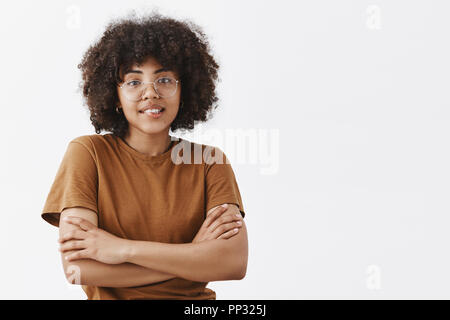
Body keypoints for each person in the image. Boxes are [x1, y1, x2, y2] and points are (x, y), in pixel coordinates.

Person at [41, 9, 248, 300]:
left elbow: (233, 263)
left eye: (164, 80)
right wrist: (191, 256)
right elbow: (79, 268)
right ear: (114, 95)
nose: (151, 93)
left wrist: (121, 249)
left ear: (183, 89)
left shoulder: (209, 161)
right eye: (134, 81)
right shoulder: (88, 153)